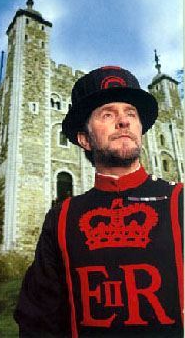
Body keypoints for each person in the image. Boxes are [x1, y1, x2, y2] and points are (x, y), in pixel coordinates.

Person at [14, 66, 184, 338]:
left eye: (131, 113)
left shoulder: (181, 201)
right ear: (84, 139)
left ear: (140, 128)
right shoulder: (61, 220)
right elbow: (38, 323)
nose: (123, 121)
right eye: (108, 114)